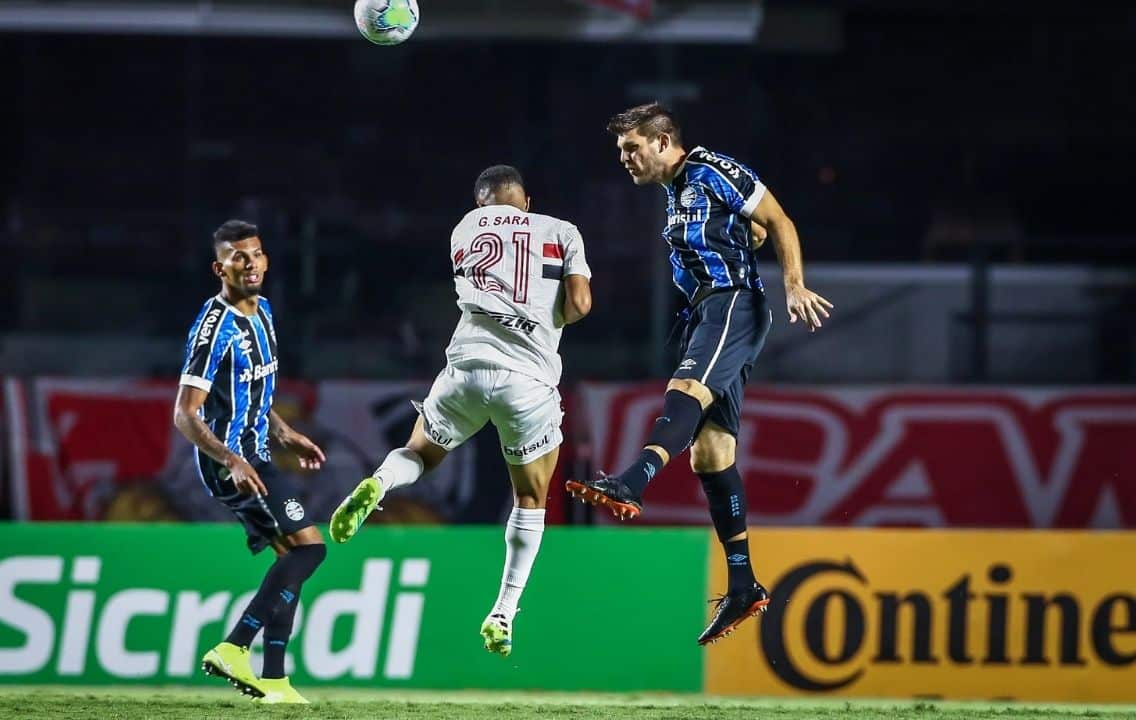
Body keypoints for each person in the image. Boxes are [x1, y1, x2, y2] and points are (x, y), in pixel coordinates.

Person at [567, 103, 832, 646]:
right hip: (707, 313)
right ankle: (743, 585)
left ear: (663, 142)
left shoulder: (712, 168)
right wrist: (746, 234)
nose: (625, 159)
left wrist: (794, 283)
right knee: (711, 455)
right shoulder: (674, 193)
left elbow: (777, 218)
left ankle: (631, 481)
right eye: (622, 151)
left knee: (684, 391)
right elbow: (749, 229)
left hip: (732, 304)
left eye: (632, 148)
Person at [328, 165, 593, 657]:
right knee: (530, 500)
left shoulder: (465, 229)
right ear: (526, 201)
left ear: (481, 204)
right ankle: (503, 611)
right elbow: (579, 304)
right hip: (528, 379)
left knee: (419, 452)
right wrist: (545, 313)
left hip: (465, 368)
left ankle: (379, 484)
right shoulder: (562, 231)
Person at [173, 220, 328, 704]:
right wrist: (230, 459)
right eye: (239, 257)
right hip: (232, 464)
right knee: (310, 550)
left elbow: (255, 395)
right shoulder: (213, 328)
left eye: (256, 253)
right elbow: (184, 413)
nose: (251, 263)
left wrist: (285, 432)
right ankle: (233, 646)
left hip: (259, 453)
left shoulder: (263, 313)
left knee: (292, 560)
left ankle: (277, 681)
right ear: (220, 267)